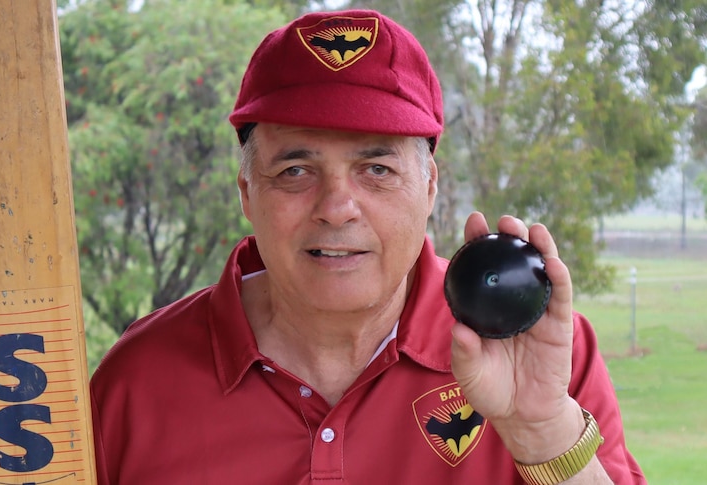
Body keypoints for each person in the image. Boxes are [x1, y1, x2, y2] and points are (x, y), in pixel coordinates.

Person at [90, 9, 646, 484]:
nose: (337, 205)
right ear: (246, 192)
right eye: (295, 169)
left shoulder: (540, 350)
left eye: (376, 169)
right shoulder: (134, 386)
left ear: (430, 187)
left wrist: (544, 434)